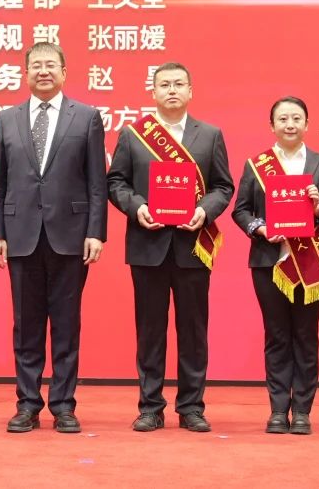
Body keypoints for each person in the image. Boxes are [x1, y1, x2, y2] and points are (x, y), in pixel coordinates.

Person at [0, 42, 107, 433]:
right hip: (20, 235)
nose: (43, 71)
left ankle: (64, 406)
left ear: (64, 71)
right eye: (36, 65)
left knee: (67, 326)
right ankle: (27, 404)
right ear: (25, 73)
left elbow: (97, 183)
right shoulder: (6, 119)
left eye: (50, 64)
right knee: (26, 325)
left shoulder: (86, 117)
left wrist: (96, 232)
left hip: (70, 236)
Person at [108, 62, 235, 433]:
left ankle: (192, 407)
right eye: (164, 84)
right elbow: (116, 182)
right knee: (150, 331)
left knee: (193, 330)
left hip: (193, 245)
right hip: (147, 245)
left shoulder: (209, 135)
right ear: (153, 92)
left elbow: (223, 187)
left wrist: (203, 211)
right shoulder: (133, 135)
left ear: (191, 91)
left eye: (179, 84)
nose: (172, 90)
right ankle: (150, 407)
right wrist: (137, 207)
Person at [231, 96, 319, 434]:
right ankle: (279, 410)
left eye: (296, 118)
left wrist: (318, 209)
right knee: (278, 335)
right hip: (269, 261)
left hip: (311, 261)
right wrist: (260, 228)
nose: (290, 124)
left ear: (307, 124)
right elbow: (241, 210)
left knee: (306, 336)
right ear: (272, 126)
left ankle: (304, 411)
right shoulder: (256, 165)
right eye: (282, 119)